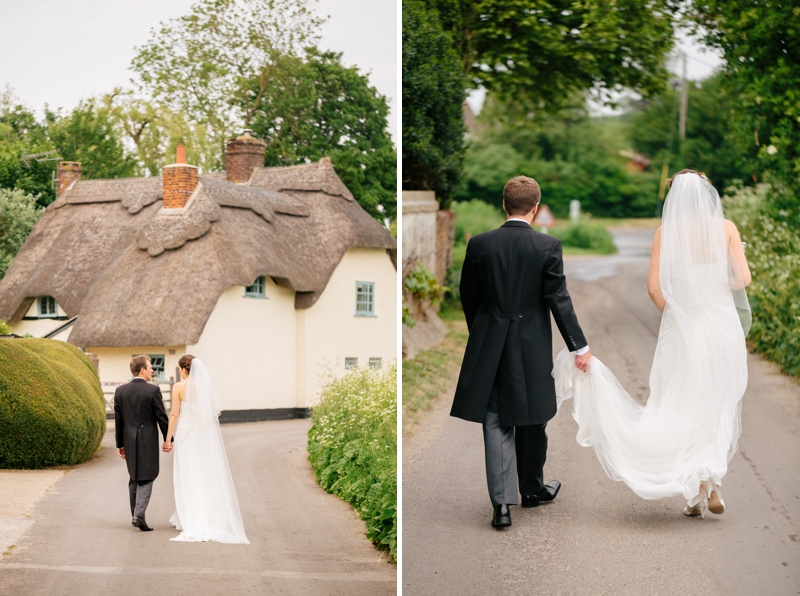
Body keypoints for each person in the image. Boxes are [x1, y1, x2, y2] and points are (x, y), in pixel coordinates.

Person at [553, 169, 751, 518]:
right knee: (717, 401)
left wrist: (675, 315)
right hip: (721, 326)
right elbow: (743, 279)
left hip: (682, 328)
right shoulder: (727, 229)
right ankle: (709, 479)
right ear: (707, 193)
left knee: (680, 402)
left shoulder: (666, 232)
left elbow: (654, 288)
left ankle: (695, 490)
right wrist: (715, 289)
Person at [451, 175, 591, 528]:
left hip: (490, 340)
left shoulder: (479, 244)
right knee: (534, 412)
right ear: (534, 208)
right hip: (530, 345)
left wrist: (482, 329)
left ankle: (502, 506)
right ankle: (531, 489)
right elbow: (558, 299)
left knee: (496, 419)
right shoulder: (548, 247)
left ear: (504, 205)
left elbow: (468, 294)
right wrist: (580, 346)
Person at [163, 354, 249, 543]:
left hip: (186, 433)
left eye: (180, 369)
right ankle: (205, 514)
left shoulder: (178, 387)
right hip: (202, 434)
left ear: (184, 370)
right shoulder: (205, 388)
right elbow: (210, 413)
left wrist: (168, 439)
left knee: (187, 472)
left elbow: (175, 414)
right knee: (203, 472)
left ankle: (191, 516)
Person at [114, 355, 170, 532]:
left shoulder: (120, 391)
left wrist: (119, 444)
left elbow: (118, 421)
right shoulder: (153, 391)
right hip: (147, 438)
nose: (153, 370)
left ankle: (136, 515)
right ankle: (138, 515)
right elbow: (161, 417)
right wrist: (168, 439)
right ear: (142, 370)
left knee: (134, 476)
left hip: (129, 438)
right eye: (150, 367)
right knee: (148, 476)